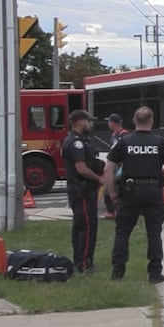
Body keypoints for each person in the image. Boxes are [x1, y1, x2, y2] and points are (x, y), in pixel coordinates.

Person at [104, 106, 164, 283]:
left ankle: (118, 272)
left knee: (123, 232)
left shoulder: (123, 141)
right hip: (153, 191)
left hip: (129, 191)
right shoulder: (160, 142)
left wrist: (113, 193)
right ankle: (154, 273)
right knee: (154, 232)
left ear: (134, 121)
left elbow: (108, 168)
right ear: (151, 121)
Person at [62, 110, 105, 272]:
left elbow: (90, 162)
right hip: (83, 190)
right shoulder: (76, 142)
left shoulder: (79, 140)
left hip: (81, 189)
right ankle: (84, 264)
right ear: (80, 122)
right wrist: (99, 178)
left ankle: (80, 260)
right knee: (87, 226)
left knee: (81, 226)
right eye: (89, 121)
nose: (91, 124)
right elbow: (81, 168)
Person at [102, 113, 129, 219]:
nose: (108, 124)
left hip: (119, 167)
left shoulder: (123, 134)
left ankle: (115, 210)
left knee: (114, 187)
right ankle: (112, 210)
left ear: (113, 123)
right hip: (115, 166)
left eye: (109, 121)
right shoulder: (114, 134)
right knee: (109, 187)